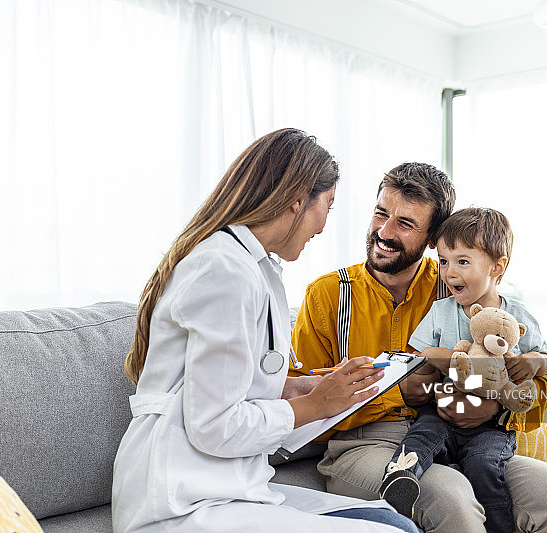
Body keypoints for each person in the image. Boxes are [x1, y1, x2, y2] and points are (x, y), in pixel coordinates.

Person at [112, 128, 419, 533]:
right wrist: (314, 406)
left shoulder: (252, 266)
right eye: (328, 205)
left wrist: (302, 388)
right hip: (181, 500)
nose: (323, 226)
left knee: (390, 521)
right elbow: (213, 425)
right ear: (297, 200)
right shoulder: (224, 270)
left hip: (227, 486)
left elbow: (233, 386)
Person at [291, 162, 547, 532]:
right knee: (451, 498)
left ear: (433, 238)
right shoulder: (327, 295)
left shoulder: (459, 287)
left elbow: (535, 378)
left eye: (405, 223)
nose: (384, 231)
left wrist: (495, 408)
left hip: (468, 440)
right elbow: (301, 408)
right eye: (381, 213)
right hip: (365, 445)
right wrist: (398, 394)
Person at [378, 207, 547, 533]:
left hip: (490, 425)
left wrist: (533, 362)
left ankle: (498, 526)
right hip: (440, 411)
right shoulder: (440, 311)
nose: (449, 272)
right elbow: (421, 355)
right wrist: (452, 359)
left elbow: (546, 358)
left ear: (497, 266)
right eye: (444, 261)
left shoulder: (518, 317)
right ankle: (400, 479)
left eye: (462, 261)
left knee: (485, 465)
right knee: (421, 438)